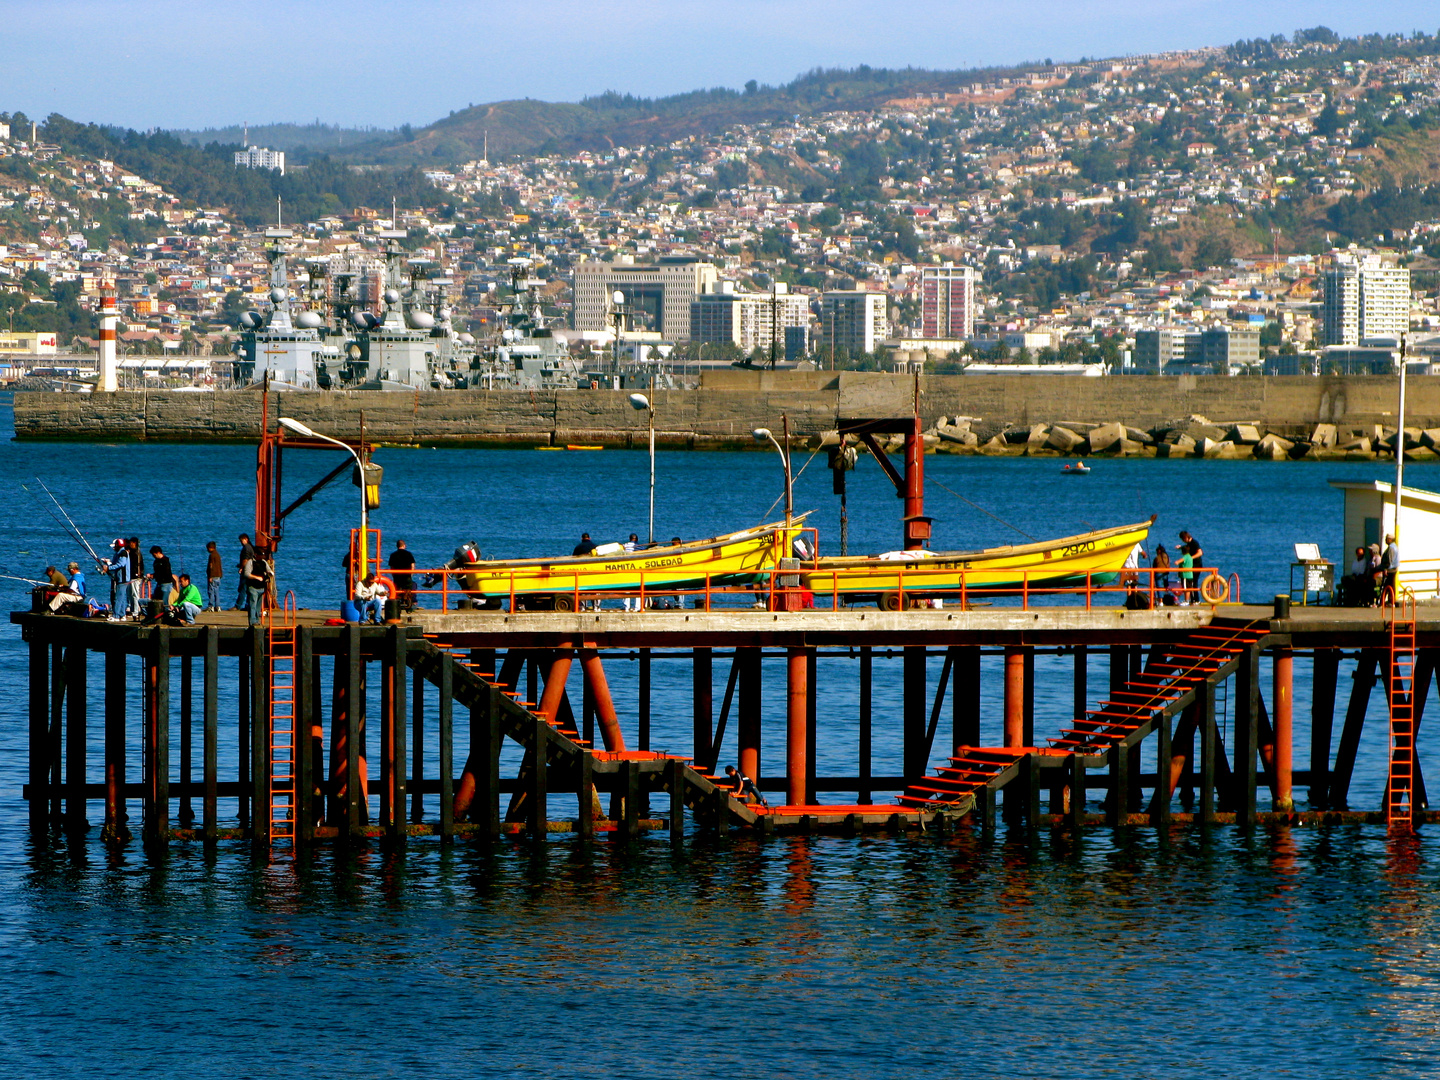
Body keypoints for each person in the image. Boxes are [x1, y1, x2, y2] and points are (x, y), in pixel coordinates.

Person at [388, 539, 417, 611]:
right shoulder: (409, 554)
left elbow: (392, 567)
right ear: (404, 545)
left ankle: (398, 603)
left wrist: (394, 575)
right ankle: (410, 603)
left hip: (397, 577)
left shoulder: (393, 555)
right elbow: (412, 566)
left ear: (397, 546)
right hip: (407, 576)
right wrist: (411, 575)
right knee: (410, 589)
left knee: (397, 590)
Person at [241, 547, 268, 626]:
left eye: (262, 555)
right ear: (256, 555)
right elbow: (246, 574)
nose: (262, 557)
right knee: (253, 604)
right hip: (253, 587)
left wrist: (269, 574)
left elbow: (268, 570)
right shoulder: (251, 562)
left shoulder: (263, 562)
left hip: (261, 588)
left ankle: (257, 620)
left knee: (258, 606)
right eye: (260, 555)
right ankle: (252, 622)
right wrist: (257, 577)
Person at [106, 538, 131, 619]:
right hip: (121, 578)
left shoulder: (123, 553)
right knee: (122, 597)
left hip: (123, 579)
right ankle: (122, 614)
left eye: (115, 546)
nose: (114, 548)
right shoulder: (119, 553)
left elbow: (121, 564)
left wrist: (109, 568)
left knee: (118, 598)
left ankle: (116, 616)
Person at [234, 533, 256, 611]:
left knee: (243, 588)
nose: (241, 542)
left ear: (246, 539)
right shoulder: (250, 547)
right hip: (250, 570)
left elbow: (245, 559)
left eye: (242, 540)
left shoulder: (246, 548)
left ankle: (238, 605)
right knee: (247, 589)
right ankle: (248, 605)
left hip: (246, 570)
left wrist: (241, 567)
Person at [127, 538, 145, 619]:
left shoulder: (136, 553)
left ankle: (136, 611)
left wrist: (139, 574)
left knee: (135, 594)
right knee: (130, 594)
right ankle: (132, 609)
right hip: (131, 576)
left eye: (131, 543)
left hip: (135, 576)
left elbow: (138, 565)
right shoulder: (132, 552)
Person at [622, 533, 640, 611]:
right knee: (638, 589)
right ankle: (637, 607)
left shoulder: (625, 545)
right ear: (637, 539)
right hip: (637, 569)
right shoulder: (640, 546)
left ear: (630, 539)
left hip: (627, 569)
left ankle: (626, 607)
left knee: (627, 588)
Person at [204, 541, 223, 612]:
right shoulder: (218, 555)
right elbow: (219, 566)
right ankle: (218, 606)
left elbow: (211, 566)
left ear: (211, 548)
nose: (207, 550)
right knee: (217, 592)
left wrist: (210, 576)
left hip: (213, 576)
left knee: (211, 591)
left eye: (208, 548)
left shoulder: (212, 555)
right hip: (218, 576)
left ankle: (211, 606)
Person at [1381, 533, 1400, 598]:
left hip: (1390, 569)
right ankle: (1390, 600)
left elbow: (1390, 560)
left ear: (1390, 539)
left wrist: (1386, 569)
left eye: (1386, 539)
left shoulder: (1391, 548)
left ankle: (1387, 601)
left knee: (1388, 585)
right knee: (1391, 585)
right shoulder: (1394, 547)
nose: (1385, 540)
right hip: (1393, 569)